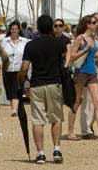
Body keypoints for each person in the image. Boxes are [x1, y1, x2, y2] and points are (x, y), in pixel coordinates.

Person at [20, 15, 68, 164]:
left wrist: (24, 81)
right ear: (51, 27)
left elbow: (24, 68)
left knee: (38, 120)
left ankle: (40, 153)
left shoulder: (30, 45)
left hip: (37, 84)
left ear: (38, 28)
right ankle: (56, 149)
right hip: (54, 83)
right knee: (56, 119)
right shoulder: (58, 44)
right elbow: (66, 61)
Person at [67, 15, 98, 140]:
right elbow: (72, 56)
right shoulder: (80, 38)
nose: (96, 24)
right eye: (93, 22)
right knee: (76, 102)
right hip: (81, 72)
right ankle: (70, 132)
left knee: (97, 102)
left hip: (92, 73)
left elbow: (94, 53)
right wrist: (85, 49)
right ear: (87, 24)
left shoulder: (93, 37)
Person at [2, 21, 29, 117]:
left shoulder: (25, 41)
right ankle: (14, 107)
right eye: (12, 29)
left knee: (16, 89)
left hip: (19, 69)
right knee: (9, 90)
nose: (14, 30)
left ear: (19, 30)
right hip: (7, 69)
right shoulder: (4, 41)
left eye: (16, 29)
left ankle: (14, 110)